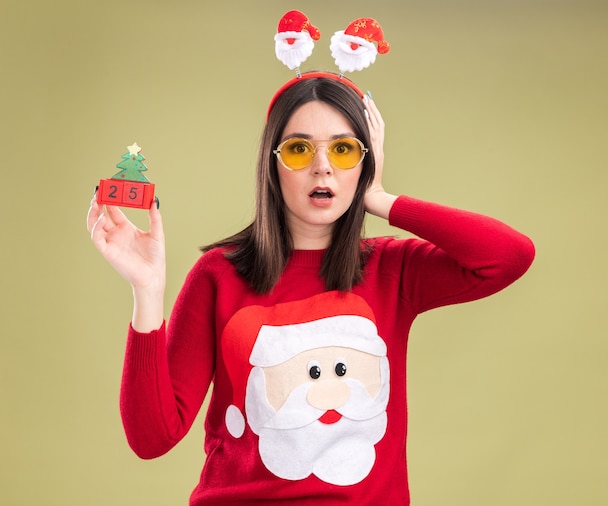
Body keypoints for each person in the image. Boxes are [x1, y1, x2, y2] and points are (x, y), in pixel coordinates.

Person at [87, 72, 535, 505]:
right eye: (300, 149)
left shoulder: (392, 269)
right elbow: (152, 439)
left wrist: (380, 198)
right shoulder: (217, 275)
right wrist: (146, 292)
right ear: (273, 163)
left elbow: (508, 256)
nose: (322, 167)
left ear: (364, 162)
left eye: (343, 150)